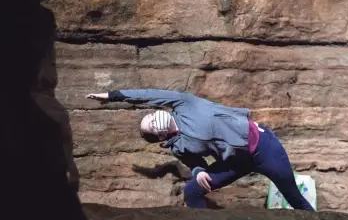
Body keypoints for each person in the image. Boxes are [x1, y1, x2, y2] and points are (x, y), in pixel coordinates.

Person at [86, 89, 314, 211]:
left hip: (263, 147)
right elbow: (195, 163)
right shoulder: (178, 146)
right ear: (160, 136)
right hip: (236, 162)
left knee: (295, 200)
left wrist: (113, 96)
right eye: (152, 126)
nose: (155, 118)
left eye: (151, 116)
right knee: (192, 191)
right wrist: (199, 172)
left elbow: (147, 94)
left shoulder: (184, 104)